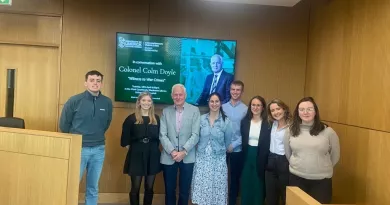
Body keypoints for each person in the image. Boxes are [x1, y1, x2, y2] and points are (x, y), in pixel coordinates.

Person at [59, 70, 113, 205]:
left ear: (101, 84)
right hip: (79, 149)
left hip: (98, 149)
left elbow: (106, 123)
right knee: (71, 186)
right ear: (85, 83)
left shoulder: (107, 102)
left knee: (93, 187)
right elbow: (64, 124)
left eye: (98, 80)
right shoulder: (74, 100)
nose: (95, 83)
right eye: (92, 80)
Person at [284, 97, 340, 204]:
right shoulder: (290, 130)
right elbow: (288, 153)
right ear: (297, 113)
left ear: (315, 111)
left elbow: (335, 155)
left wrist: (321, 167)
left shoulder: (328, 132)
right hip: (296, 178)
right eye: (302, 109)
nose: (305, 112)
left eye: (309, 109)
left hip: (321, 181)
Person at [160, 84, 201, 205]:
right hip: (169, 156)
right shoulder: (165, 112)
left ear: (185, 96)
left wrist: (183, 152)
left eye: (180, 94)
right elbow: (162, 135)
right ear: (172, 96)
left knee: (184, 191)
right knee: (169, 190)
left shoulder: (195, 111)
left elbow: (195, 134)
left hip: (187, 157)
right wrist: (172, 152)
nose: (178, 97)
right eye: (175, 95)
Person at [191, 92, 233, 205]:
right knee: (202, 185)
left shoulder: (226, 121)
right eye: (212, 101)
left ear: (220, 103)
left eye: (217, 101)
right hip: (202, 159)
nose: (214, 104)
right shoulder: (201, 119)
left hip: (218, 160)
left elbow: (228, 141)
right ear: (208, 103)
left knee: (217, 186)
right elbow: (196, 137)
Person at [120, 92, 161, 205]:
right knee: (135, 188)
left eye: (149, 101)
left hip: (152, 155)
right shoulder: (131, 119)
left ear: (152, 103)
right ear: (139, 102)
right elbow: (125, 141)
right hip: (136, 155)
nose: (146, 103)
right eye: (143, 100)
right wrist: (137, 149)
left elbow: (159, 139)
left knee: (149, 188)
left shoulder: (156, 118)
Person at [240, 96, 271, 205]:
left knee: (258, 184)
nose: (255, 107)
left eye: (258, 105)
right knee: (246, 182)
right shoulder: (245, 121)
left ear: (263, 108)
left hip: (261, 156)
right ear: (250, 107)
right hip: (247, 155)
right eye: (253, 105)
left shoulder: (268, 123)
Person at [221, 80, 247, 205]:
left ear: (242, 92)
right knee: (221, 178)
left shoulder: (246, 110)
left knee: (235, 179)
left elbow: (247, 132)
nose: (235, 92)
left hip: (237, 149)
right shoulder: (222, 107)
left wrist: (233, 145)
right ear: (229, 90)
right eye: (233, 89)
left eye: (238, 90)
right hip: (222, 149)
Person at [265, 99, 292, 205]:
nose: (276, 112)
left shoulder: (292, 126)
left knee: (286, 196)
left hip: (284, 162)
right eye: (272, 110)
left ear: (284, 109)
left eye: (278, 109)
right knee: (271, 196)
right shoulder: (272, 124)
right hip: (270, 160)